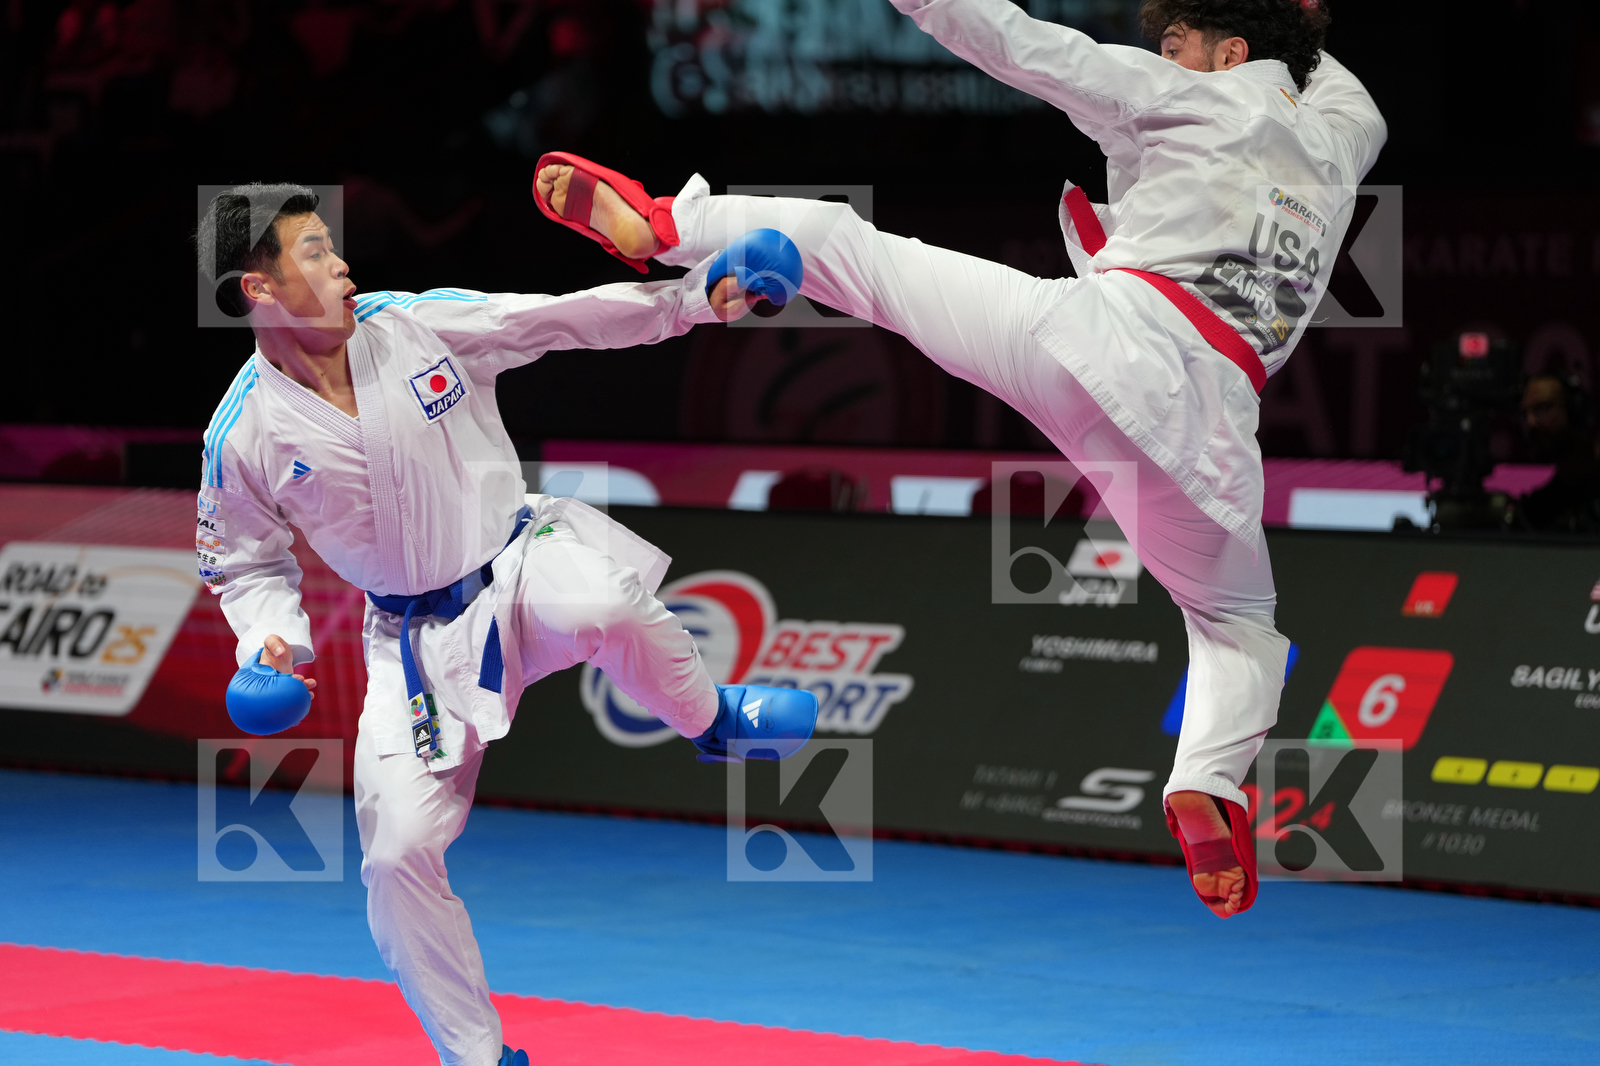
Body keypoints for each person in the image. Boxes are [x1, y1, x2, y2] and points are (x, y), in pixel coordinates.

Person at [535, 0, 1385, 918]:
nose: (1163, 54)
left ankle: (665, 225)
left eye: (1178, 43)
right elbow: (1342, 85)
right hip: (1209, 428)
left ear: (1230, 51)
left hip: (1093, 340)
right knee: (1237, 623)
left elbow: (1014, 41)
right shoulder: (1343, 141)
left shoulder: (1175, 96)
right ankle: (1210, 781)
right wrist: (1299, 27)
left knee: (855, 254)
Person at [194, 183, 815, 1066]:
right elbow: (247, 563)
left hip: (519, 559)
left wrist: (693, 298)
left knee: (602, 603)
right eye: (314, 251)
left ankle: (713, 721)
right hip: (412, 644)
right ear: (259, 290)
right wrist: (270, 645)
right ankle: (477, 1056)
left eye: (333, 245)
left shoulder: (414, 326)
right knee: (396, 855)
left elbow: (560, 319)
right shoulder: (241, 433)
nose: (341, 263)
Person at [1511, 374, 1600, 533]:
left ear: (1575, 411)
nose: (1531, 422)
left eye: (1543, 409)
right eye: (1525, 414)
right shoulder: (1538, 509)